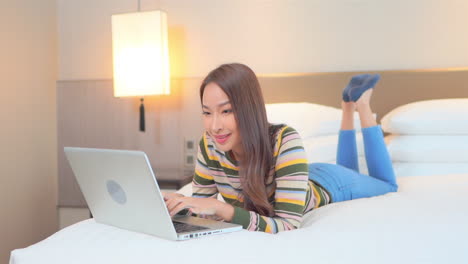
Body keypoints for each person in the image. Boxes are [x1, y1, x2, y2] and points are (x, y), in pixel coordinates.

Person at [164, 63, 398, 234]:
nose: (214, 126)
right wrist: (179, 206)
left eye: (226, 111)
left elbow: (287, 224)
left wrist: (224, 210)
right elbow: (202, 209)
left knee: (387, 184)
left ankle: (361, 104)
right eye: (207, 112)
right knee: (351, 168)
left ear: (249, 109)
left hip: (330, 182)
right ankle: (348, 105)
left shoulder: (285, 140)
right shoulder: (209, 144)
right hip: (297, 176)